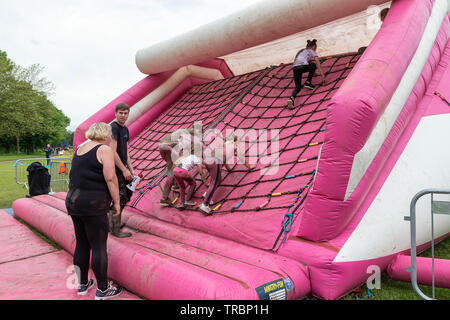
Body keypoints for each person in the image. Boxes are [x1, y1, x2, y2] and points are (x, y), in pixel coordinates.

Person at [65, 122, 123, 300]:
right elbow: (110, 177)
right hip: (93, 203)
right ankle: (103, 289)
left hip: (74, 201)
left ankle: (82, 284)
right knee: (98, 246)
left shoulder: (80, 149)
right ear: (106, 134)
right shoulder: (103, 149)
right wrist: (117, 201)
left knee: (82, 244)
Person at [199, 135, 256, 215]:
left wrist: (229, 169)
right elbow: (241, 158)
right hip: (216, 161)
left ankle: (206, 194)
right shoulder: (235, 146)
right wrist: (249, 166)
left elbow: (224, 160)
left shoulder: (223, 145)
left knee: (217, 179)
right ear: (235, 141)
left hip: (207, 160)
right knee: (215, 182)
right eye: (238, 141)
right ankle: (205, 205)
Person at [159, 124, 203, 207]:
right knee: (172, 172)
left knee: (173, 169)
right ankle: (164, 198)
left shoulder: (184, 131)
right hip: (167, 147)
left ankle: (175, 186)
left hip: (164, 147)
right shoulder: (189, 135)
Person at [109, 103, 134, 238]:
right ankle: (115, 229)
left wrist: (131, 168)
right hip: (114, 169)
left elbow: (126, 151)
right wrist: (124, 170)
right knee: (120, 198)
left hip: (122, 167)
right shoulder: (113, 128)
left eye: (126, 113)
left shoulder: (125, 130)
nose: (123, 116)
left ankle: (112, 223)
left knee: (125, 196)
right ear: (116, 113)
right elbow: (113, 152)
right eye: (121, 113)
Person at [286, 39, 326, 110]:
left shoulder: (301, 51)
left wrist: (314, 73)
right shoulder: (312, 51)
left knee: (298, 87)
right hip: (302, 66)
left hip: (295, 68)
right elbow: (317, 64)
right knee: (313, 65)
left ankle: (291, 99)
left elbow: (302, 61)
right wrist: (323, 77)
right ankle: (308, 82)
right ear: (314, 46)